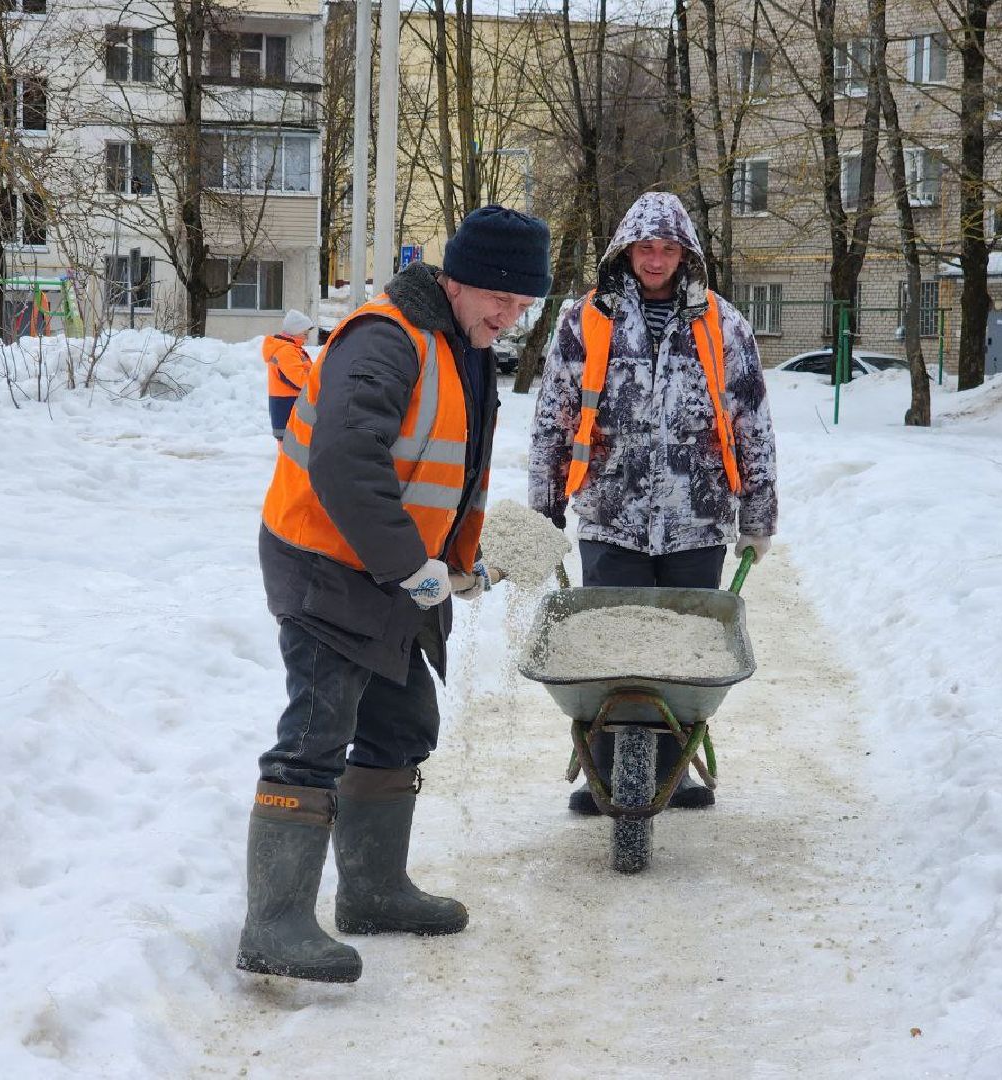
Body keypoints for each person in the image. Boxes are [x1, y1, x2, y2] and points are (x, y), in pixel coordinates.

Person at [238, 205, 552, 983]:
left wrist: (459, 563)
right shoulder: (386, 339)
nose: (509, 320)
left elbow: (440, 471)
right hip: (324, 561)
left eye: (522, 308)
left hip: (390, 566)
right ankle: (272, 925)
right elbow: (346, 461)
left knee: (403, 722)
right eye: (500, 301)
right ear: (456, 280)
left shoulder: (464, 346)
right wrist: (411, 565)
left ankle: (374, 891)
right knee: (317, 729)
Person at [529, 190, 777, 815]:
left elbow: (751, 422)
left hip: (698, 520)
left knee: (683, 657)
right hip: (611, 515)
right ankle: (604, 773)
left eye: (669, 249)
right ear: (626, 251)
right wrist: (544, 504)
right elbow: (554, 416)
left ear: (686, 253)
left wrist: (758, 515)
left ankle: (675, 770)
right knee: (609, 654)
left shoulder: (724, 324)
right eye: (646, 248)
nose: (657, 260)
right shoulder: (586, 319)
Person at [263, 309, 316, 441]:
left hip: (288, 401)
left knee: (292, 444)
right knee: (290, 444)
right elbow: (299, 379)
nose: (307, 337)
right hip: (288, 403)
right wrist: (319, 384)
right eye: (305, 333)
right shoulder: (287, 351)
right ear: (295, 332)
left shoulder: (293, 349)